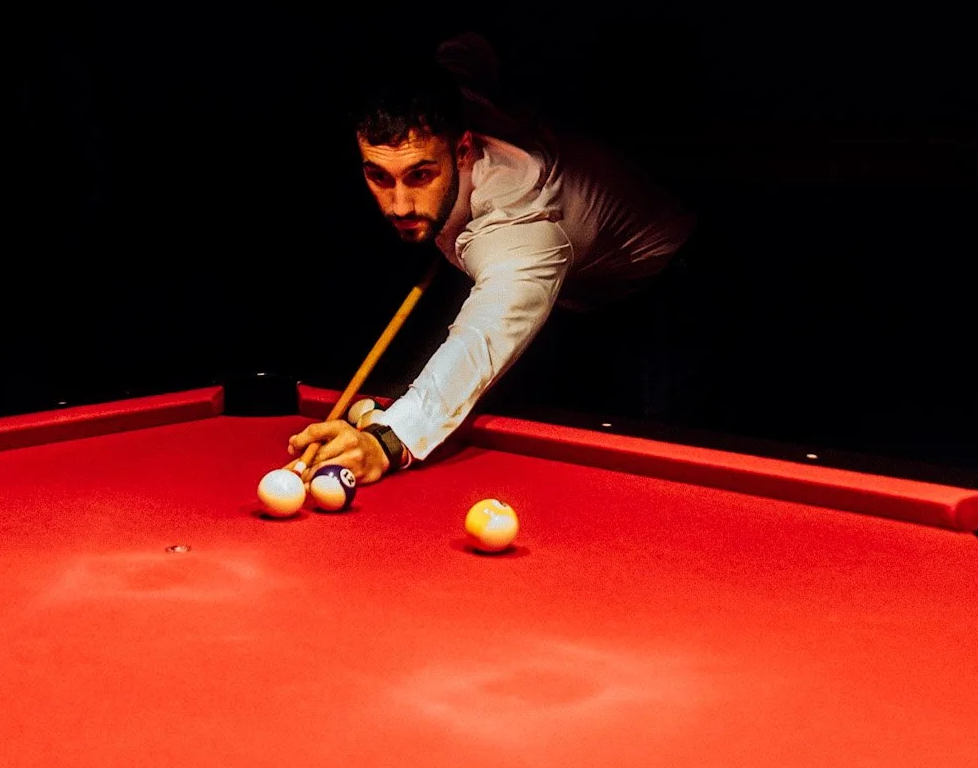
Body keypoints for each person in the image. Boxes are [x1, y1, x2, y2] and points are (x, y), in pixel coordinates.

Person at [288, 53, 697, 487]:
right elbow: (467, 51)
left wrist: (389, 439)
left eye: (420, 175)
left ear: (463, 150)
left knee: (660, 454)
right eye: (379, 177)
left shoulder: (519, 223)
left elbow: (481, 337)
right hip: (576, 292)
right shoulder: (450, 95)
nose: (399, 205)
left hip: (665, 282)